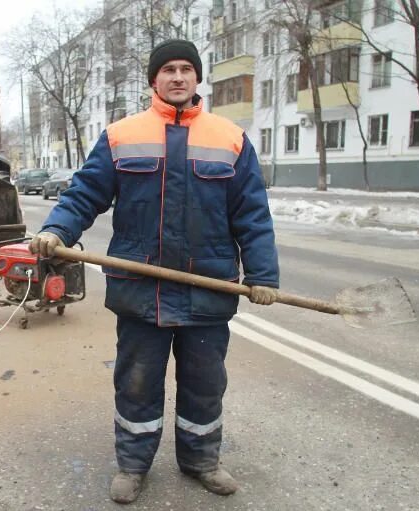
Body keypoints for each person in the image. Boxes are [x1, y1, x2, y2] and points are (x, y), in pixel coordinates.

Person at [29, 39, 280, 504]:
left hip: (207, 288)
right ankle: (133, 465)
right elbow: (84, 195)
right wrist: (57, 230)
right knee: (137, 382)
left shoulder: (230, 138)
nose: (179, 77)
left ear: (198, 78)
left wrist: (263, 276)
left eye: (187, 68)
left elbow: (252, 215)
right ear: (154, 79)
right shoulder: (122, 135)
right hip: (141, 289)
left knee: (205, 384)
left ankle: (202, 460)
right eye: (169, 69)